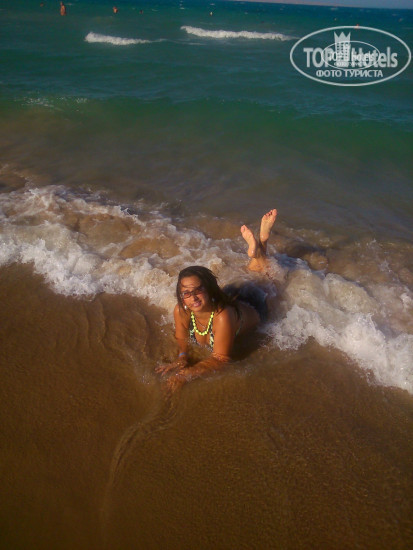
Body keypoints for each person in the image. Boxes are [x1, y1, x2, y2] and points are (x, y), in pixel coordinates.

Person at [156, 209, 277, 390]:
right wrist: (182, 357)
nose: (192, 297)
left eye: (198, 290)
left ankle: (263, 242)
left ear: (209, 289)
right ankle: (259, 247)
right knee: (256, 270)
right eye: (186, 293)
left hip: (254, 302)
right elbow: (181, 337)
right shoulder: (181, 310)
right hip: (230, 295)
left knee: (269, 278)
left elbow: (221, 359)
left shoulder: (222, 316)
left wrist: (184, 375)